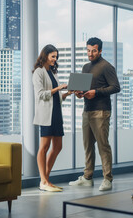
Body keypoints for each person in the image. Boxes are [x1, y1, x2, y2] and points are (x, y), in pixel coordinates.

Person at [68, 37, 120, 191]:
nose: (90, 54)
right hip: (87, 110)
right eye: (88, 50)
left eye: (94, 51)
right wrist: (80, 93)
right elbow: (85, 89)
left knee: (103, 146)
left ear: (100, 51)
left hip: (101, 111)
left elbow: (116, 87)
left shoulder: (107, 67)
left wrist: (96, 92)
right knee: (88, 146)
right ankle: (87, 177)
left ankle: (107, 179)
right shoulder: (85, 67)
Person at [32, 44, 73, 192]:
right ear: (45, 56)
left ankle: (46, 180)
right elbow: (41, 94)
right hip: (46, 115)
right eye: (53, 56)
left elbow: (56, 97)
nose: (55, 59)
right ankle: (43, 181)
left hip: (56, 113)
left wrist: (67, 93)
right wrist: (58, 88)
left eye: (56, 57)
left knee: (58, 146)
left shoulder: (52, 73)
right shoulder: (38, 72)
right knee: (44, 147)